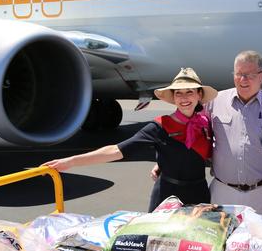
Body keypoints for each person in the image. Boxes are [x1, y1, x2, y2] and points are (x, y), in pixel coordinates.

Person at [43, 67, 217, 212]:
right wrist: (71, 161)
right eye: (179, 93)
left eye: (190, 92)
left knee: (197, 246)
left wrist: (164, 159)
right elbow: (117, 151)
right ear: (173, 97)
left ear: (199, 95)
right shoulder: (160, 126)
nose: (184, 98)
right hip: (168, 196)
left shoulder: (205, 124)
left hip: (198, 194)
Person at [152, 51, 262, 215]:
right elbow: (189, 132)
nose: (242, 80)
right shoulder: (215, 102)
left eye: (249, 75)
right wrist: (165, 161)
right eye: (238, 74)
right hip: (223, 192)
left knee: (259, 239)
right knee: (220, 239)